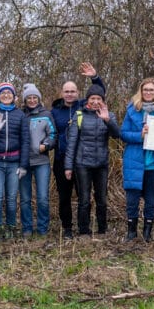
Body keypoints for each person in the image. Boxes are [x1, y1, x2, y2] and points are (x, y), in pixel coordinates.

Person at [51, 62, 106, 239]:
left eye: (73, 91)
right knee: (65, 197)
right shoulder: (54, 111)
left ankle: (89, 227)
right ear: (62, 93)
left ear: (78, 93)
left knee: (84, 197)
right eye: (66, 91)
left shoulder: (83, 106)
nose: (69, 94)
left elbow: (100, 92)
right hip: (62, 159)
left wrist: (94, 76)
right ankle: (67, 228)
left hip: (83, 159)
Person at [64, 84, 120, 238]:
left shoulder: (109, 115)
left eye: (99, 99)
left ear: (103, 100)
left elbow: (117, 135)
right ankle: (84, 231)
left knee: (101, 199)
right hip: (82, 164)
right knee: (84, 199)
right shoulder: (79, 115)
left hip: (102, 164)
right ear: (87, 99)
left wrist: (107, 120)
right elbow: (72, 143)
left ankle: (102, 230)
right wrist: (68, 167)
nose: (95, 102)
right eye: (92, 98)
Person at [121, 78, 154, 242]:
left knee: (151, 201)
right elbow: (123, 134)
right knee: (132, 200)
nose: (148, 92)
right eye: (145, 90)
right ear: (141, 91)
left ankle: (147, 232)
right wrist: (139, 136)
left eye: (152, 90)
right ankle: (131, 232)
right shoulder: (132, 109)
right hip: (135, 161)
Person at [0, 82, 30, 240]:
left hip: (14, 162)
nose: (6, 95)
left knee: (11, 198)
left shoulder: (20, 115)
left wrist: (23, 165)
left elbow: (25, 141)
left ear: (14, 96)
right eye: (3, 93)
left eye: (9, 93)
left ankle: (11, 227)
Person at [19, 83, 56, 237]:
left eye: (35, 97)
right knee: (25, 198)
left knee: (42, 197)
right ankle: (27, 228)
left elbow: (53, 135)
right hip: (23, 163)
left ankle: (42, 228)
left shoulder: (46, 115)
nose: (32, 100)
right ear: (25, 100)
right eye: (29, 98)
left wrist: (46, 145)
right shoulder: (20, 115)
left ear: (39, 99)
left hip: (42, 162)